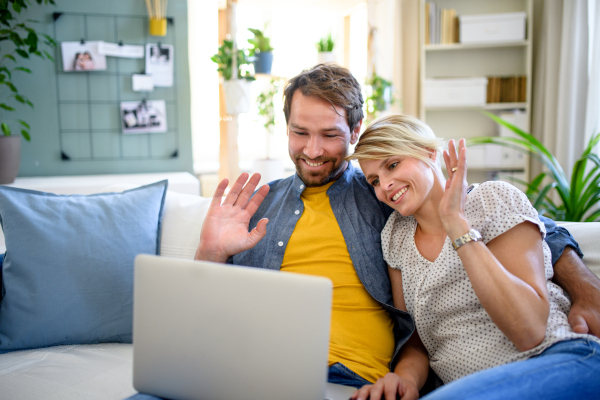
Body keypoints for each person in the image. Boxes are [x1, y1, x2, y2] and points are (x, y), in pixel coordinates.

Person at [195, 64, 600, 390]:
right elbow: (204, 319)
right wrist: (211, 251)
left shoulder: (390, 202)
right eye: (300, 133)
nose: (313, 150)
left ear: (354, 135)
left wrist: (584, 286)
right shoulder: (257, 205)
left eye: (330, 135)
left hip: (356, 377)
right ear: (286, 129)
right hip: (259, 374)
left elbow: (539, 227)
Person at [348, 114, 600, 400]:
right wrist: (404, 380)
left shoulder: (493, 199)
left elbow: (530, 330)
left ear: (429, 153)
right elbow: (416, 340)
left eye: (393, 165)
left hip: (555, 359)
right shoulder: (395, 237)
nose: (386, 185)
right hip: (466, 388)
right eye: (374, 181)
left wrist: (456, 223)